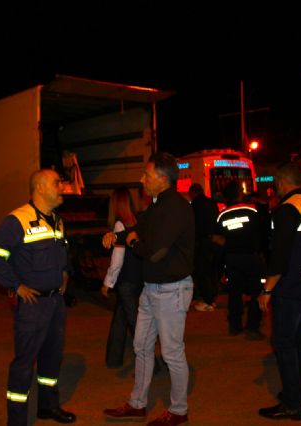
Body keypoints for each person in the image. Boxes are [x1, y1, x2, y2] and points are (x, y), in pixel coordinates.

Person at [103, 152, 194, 426]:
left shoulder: (176, 208)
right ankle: (137, 404)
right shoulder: (156, 205)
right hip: (151, 289)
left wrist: (130, 242)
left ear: (163, 179)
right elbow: (137, 228)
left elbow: (154, 252)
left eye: (147, 175)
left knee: (172, 353)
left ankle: (179, 410)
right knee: (141, 346)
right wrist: (117, 235)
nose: (142, 180)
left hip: (172, 290)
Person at [0, 169, 76, 426]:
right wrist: (16, 285)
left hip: (56, 302)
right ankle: (17, 421)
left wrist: (65, 273)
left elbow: (62, 254)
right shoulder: (17, 220)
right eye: (58, 183)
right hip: (34, 306)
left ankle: (48, 406)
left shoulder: (57, 220)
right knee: (24, 364)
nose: (62, 187)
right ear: (41, 187)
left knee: (52, 358)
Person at [258, 162, 301, 421]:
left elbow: (279, 256)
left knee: (285, 344)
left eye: (276, 185)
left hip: (291, 288)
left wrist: (267, 290)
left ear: (282, 183)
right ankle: (300, 395)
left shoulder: (286, 210)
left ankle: (292, 403)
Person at [214, 181, 265, 339]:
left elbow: (217, 237)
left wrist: (229, 245)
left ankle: (235, 326)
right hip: (251, 257)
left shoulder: (222, 215)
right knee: (256, 292)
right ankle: (252, 326)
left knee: (234, 293)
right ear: (239, 194)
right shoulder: (253, 210)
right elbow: (262, 232)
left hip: (232, 258)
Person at [101, 188, 143, 368]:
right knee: (120, 318)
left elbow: (117, 259)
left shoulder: (119, 225)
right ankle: (113, 358)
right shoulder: (138, 222)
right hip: (138, 279)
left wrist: (107, 283)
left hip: (126, 281)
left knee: (135, 325)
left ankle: (149, 363)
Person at [188, 183, 219, 312]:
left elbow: (192, 225)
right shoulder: (212, 203)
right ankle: (212, 297)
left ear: (193, 193)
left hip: (200, 242)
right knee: (212, 271)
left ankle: (207, 300)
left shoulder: (194, 205)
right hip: (213, 240)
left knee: (202, 272)